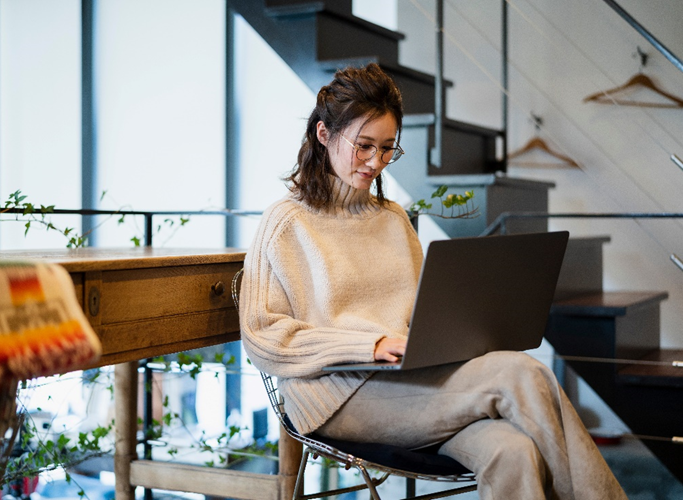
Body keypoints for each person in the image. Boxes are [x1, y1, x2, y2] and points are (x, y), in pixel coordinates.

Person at [238, 63, 627, 500]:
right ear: (324, 135)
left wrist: (455, 333)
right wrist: (365, 346)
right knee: (520, 373)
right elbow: (262, 336)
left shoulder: (393, 220)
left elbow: (424, 312)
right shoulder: (286, 222)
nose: (376, 162)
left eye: (388, 149)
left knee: (511, 449)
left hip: (412, 381)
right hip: (338, 397)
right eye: (364, 145)